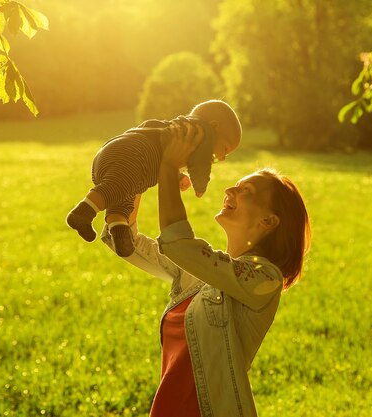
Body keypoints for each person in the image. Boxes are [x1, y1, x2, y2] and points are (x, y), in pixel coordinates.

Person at [100, 119, 311, 417]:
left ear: (268, 221)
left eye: (245, 190)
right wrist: (139, 172)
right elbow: (128, 242)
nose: (229, 189)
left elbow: (179, 243)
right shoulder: (203, 277)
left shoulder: (264, 280)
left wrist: (170, 164)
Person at [67, 99, 241, 257]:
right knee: (116, 187)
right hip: (129, 157)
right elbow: (200, 167)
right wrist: (200, 186)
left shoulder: (175, 128)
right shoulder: (199, 134)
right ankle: (82, 213)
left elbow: (164, 152)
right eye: (225, 149)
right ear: (214, 127)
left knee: (123, 201)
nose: (223, 158)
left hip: (121, 154)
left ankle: (121, 236)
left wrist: (178, 175)